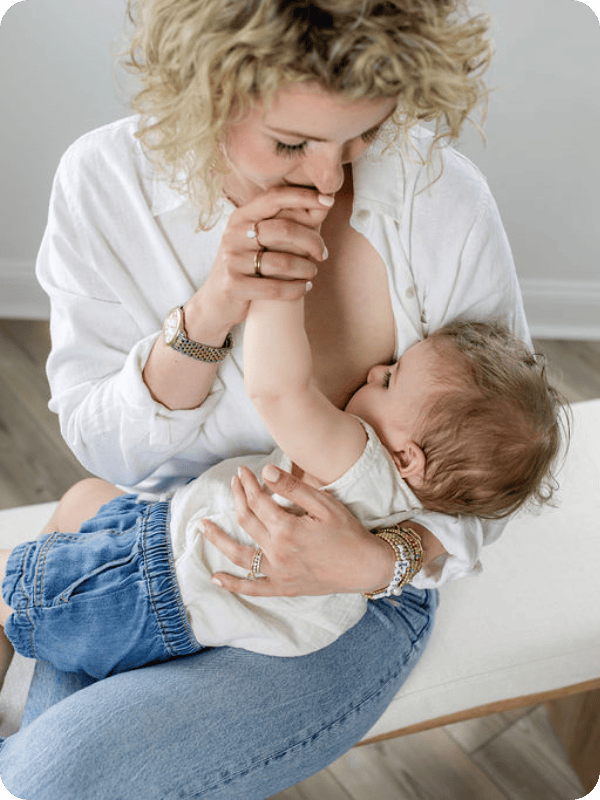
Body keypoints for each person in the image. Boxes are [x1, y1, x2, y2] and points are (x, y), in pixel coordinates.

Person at [0, 1, 536, 797]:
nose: (330, 177)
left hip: (340, 603)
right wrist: (212, 309)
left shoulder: (440, 198)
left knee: (50, 774)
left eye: (363, 135)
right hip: (165, 535)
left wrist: (374, 561)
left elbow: (492, 461)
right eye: (291, 143)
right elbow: (105, 446)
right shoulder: (104, 183)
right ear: (206, 92)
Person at [0, 312, 565, 680]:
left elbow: (277, 390)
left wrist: (280, 290)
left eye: (391, 379)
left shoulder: (359, 461)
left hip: (149, 580)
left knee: (10, 581)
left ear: (406, 457)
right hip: (180, 587)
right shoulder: (406, 507)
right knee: (86, 498)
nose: (374, 371)